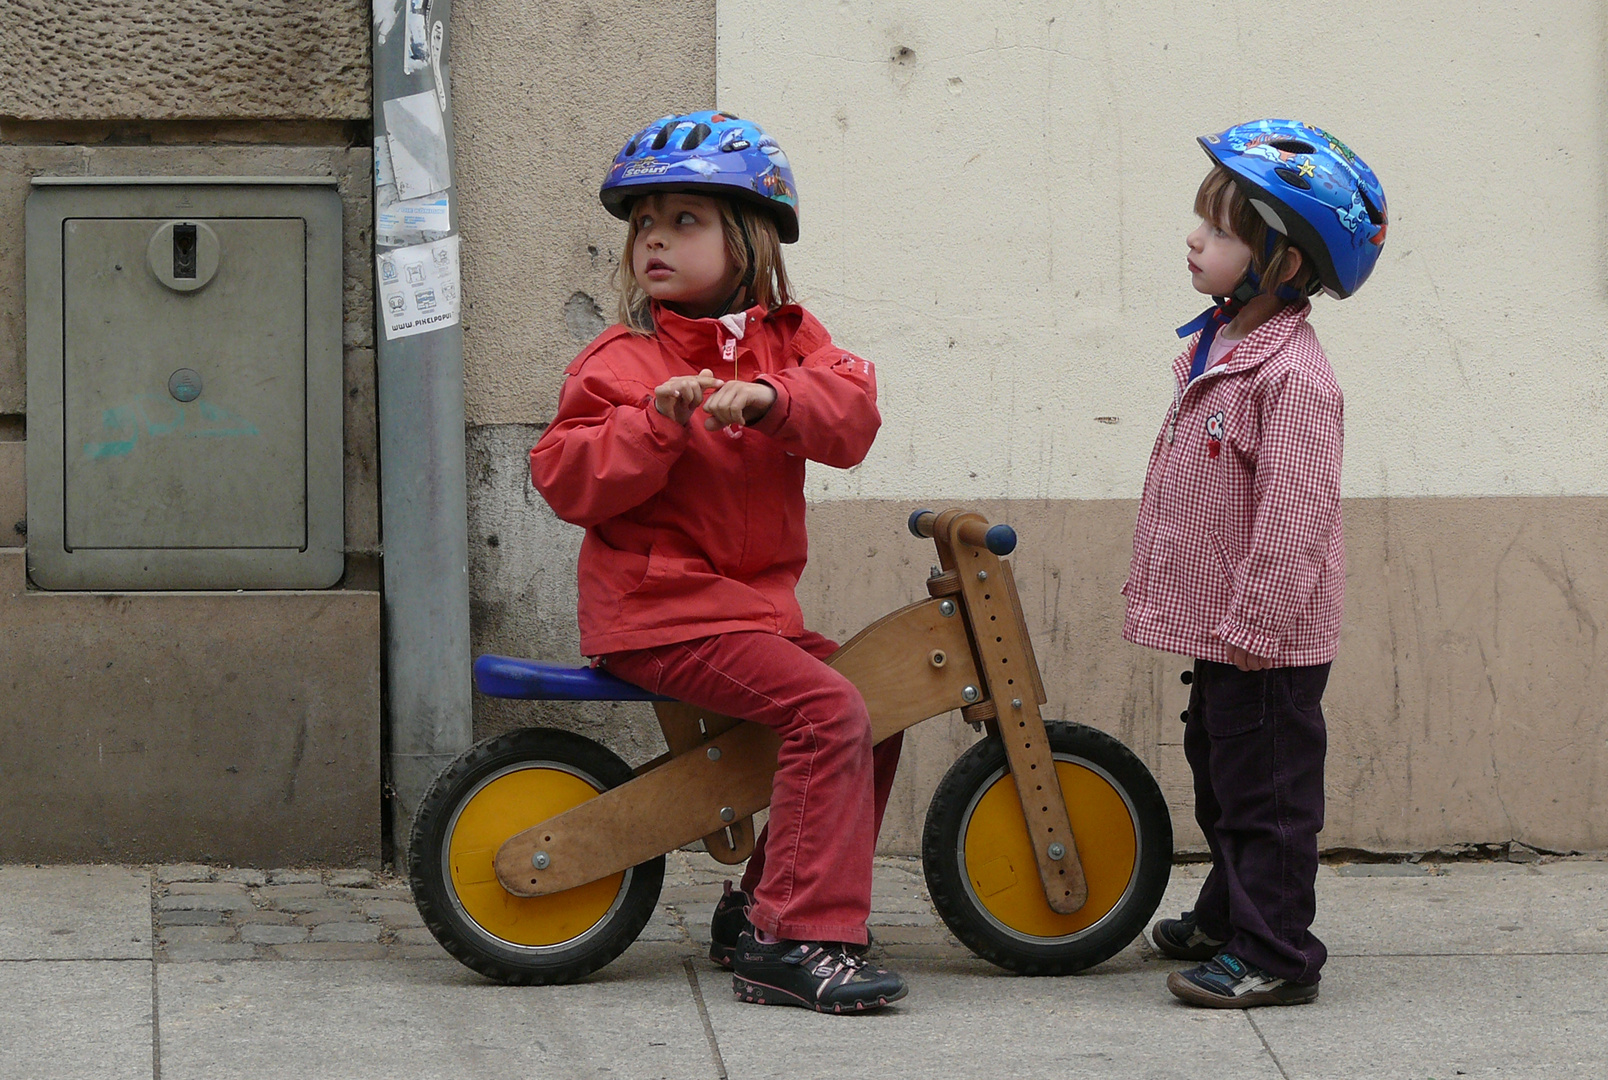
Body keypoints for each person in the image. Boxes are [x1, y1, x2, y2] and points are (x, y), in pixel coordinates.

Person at [530, 110, 907, 1013]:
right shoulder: (624, 360)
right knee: (830, 709)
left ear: (748, 237)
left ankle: (761, 908)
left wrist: (773, 398)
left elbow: (851, 415)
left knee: (882, 703)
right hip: (660, 614)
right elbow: (564, 476)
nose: (654, 238)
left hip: (753, 618)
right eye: (643, 223)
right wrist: (653, 425)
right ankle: (797, 939)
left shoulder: (793, 340)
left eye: (683, 221)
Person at [1122, 119, 1388, 1008]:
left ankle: (1275, 952)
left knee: (1267, 799)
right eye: (1202, 220)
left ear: (1282, 262)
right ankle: (1231, 911)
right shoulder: (1222, 346)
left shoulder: (1295, 379)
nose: (1197, 239)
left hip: (1266, 641)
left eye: (1225, 229)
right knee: (1220, 771)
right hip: (1228, 631)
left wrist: (1256, 626)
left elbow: (1295, 521)